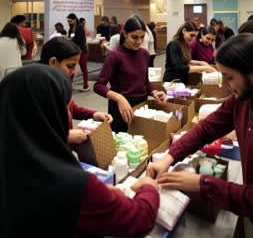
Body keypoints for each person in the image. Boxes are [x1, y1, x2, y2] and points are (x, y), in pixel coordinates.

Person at [0, 65, 160, 238]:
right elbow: (139, 219)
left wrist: (99, 196)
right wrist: (148, 187)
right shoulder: (70, 182)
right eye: (65, 107)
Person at [147, 33, 253, 237]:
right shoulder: (241, 100)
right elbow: (206, 128)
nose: (224, 86)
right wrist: (169, 157)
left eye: (229, 77)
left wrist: (202, 183)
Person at [94, 16, 166, 132]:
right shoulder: (114, 55)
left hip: (141, 106)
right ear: (125, 34)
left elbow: (145, 81)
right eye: (135, 37)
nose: (139, 41)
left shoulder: (144, 54)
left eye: (142, 37)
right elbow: (98, 86)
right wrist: (119, 97)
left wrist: (154, 92)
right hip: (120, 108)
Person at [40, 37, 112, 145]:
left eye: (75, 65)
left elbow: (70, 107)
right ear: (53, 62)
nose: (74, 71)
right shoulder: (37, 91)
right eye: (70, 66)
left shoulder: (60, 84)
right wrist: (65, 136)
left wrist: (94, 114)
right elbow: (30, 133)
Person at [67, 13, 89, 92]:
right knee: (72, 67)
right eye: (68, 21)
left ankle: (86, 85)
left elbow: (79, 39)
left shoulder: (80, 27)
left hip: (82, 51)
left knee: (83, 68)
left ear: (75, 19)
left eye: (70, 21)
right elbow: (70, 37)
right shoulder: (71, 28)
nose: (69, 23)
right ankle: (69, 84)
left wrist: (69, 40)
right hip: (74, 50)